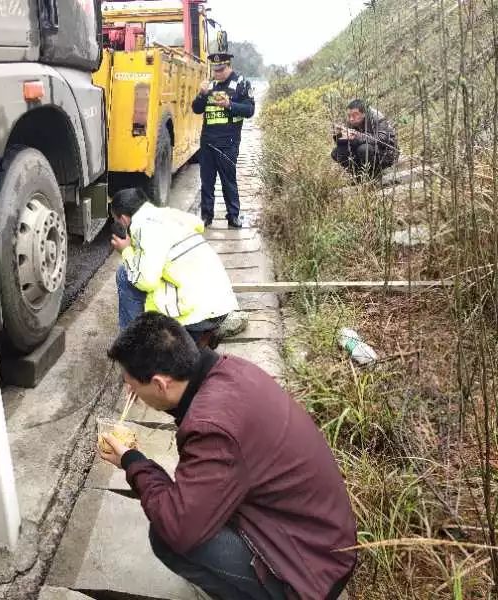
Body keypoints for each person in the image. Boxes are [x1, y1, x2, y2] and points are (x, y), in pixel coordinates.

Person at [100, 312, 358, 600]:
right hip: (323, 540)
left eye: (132, 385)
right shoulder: (229, 371)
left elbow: (178, 525)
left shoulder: (211, 428)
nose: (130, 392)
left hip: (310, 573)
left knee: (166, 538)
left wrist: (132, 461)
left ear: (160, 384)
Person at [109, 188, 245, 348]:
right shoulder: (167, 214)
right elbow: (198, 224)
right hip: (221, 305)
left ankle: (133, 346)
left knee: (125, 274)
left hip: (199, 316)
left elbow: (147, 282)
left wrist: (126, 250)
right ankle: (202, 335)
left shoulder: (145, 227)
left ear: (124, 219)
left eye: (116, 221)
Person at [192, 52, 255, 229]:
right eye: (215, 70)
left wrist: (230, 105)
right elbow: (196, 109)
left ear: (229, 66)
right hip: (207, 142)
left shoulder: (241, 83)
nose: (217, 73)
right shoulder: (209, 85)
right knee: (206, 182)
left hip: (228, 142)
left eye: (221, 70)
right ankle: (206, 216)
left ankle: (233, 216)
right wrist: (202, 94)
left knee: (229, 181)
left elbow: (250, 110)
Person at [332, 99, 399, 180]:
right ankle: (359, 176)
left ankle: (373, 176)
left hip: (386, 153)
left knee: (364, 149)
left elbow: (382, 139)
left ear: (364, 113)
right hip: (365, 151)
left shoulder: (376, 117)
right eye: (349, 115)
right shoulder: (351, 120)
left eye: (355, 115)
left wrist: (357, 136)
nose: (351, 118)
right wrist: (339, 136)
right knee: (337, 153)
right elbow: (341, 143)